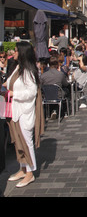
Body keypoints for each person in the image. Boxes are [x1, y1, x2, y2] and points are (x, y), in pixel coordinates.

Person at [2, 42, 44, 188]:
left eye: (15, 50)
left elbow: (31, 92)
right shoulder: (18, 68)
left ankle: (30, 172)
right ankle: (22, 167)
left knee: (26, 142)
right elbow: (9, 82)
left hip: (24, 111)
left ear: (22, 52)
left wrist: (14, 93)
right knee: (17, 141)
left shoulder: (29, 71)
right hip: (14, 110)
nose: (13, 52)